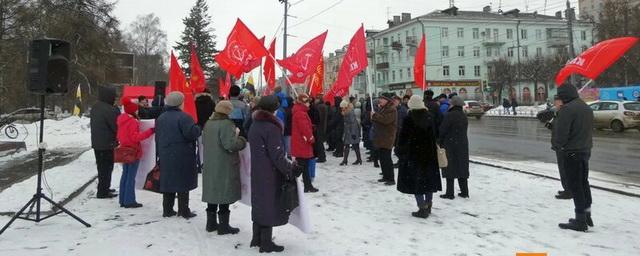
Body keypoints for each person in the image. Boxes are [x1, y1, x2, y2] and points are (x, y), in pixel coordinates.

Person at [248, 95, 302, 253]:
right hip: (269, 172)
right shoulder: (271, 127)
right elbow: (277, 155)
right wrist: (291, 169)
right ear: (274, 109)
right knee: (268, 204)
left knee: (259, 201)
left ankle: (256, 238)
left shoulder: (255, 123)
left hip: (258, 169)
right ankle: (265, 243)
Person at [202, 101, 247, 235]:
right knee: (223, 193)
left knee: (213, 192)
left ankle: (210, 223)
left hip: (211, 162)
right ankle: (223, 226)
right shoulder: (227, 124)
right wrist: (242, 141)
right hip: (224, 163)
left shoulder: (208, 123)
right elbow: (230, 145)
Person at [156, 91, 202, 219]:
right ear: (179, 103)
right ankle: (184, 210)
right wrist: (197, 128)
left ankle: (167, 209)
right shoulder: (184, 117)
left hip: (166, 153)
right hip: (182, 154)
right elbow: (191, 134)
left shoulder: (161, 117)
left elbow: (158, 137)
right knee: (183, 182)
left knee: (168, 181)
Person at [555, 84, 594, 232]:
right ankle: (587, 214)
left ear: (564, 96)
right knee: (584, 183)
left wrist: (559, 146)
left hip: (572, 152)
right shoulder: (586, 108)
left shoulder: (567, 110)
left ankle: (580, 220)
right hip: (585, 150)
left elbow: (561, 135)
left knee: (576, 186)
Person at [397, 95, 442, 218]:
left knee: (416, 182)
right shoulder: (429, 117)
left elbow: (403, 139)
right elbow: (435, 135)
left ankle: (421, 208)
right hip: (429, 156)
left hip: (414, 156)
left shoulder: (409, 119)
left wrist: (400, 151)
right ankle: (428, 204)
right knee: (428, 181)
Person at [116, 97, 154, 208]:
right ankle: (129, 201)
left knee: (125, 175)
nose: (138, 111)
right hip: (133, 151)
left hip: (124, 151)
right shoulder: (132, 122)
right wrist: (150, 131)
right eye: (136, 110)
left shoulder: (121, 120)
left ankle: (122, 199)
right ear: (133, 111)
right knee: (131, 177)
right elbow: (136, 137)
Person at [90, 86, 120, 199]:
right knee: (107, 168)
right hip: (107, 143)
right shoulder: (109, 109)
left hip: (98, 143)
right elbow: (116, 125)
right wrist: (116, 110)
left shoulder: (96, 107)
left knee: (102, 168)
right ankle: (103, 192)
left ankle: (104, 188)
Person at [438, 96, 469, 199]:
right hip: (462, 145)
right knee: (462, 167)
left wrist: (439, 141)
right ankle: (464, 192)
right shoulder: (463, 115)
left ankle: (449, 193)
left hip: (450, 144)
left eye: (450, 103)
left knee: (449, 168)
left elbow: (443, 130)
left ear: (453, 104)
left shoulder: (449, 115)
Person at [291, 93, 319, 193]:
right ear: (302, 102)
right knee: (301, 166)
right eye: (307, 102)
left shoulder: (300, 111)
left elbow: (305, 126)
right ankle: (291, 182)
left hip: (301, 142)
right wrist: (311, 137)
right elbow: (304, 128)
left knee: (304, 165)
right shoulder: (300, 113)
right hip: (302, 142)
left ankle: (307, 186)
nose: (309, 104)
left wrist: (311, 126)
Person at [547, 95, 572, 200]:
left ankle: (568, 191)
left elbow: (565, 130)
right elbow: (558, 128)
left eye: (556, 101)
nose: (554, 104)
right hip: (559, 146)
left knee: (565, 169)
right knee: (563, 169)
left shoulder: (564, 113)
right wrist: (551, 126)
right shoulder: (558, 113)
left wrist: (561, 144)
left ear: (561, 102)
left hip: (563, 147)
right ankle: (566, 189)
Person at [371, 93, 398, 185]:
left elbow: (386, 120)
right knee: (382, 158)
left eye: (382, 99)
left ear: (387, 100)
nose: (380, 100)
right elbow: (379, 119)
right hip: (382, 137)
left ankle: (391, 179)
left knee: (387, 159)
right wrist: (373, 116)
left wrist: (375, 116)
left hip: (387, 137)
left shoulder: (392, 109)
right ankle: (385, 176)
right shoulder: (383, 108)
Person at [340, 100, 362, 166]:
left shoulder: (350, 112)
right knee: (349, 145)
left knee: (354, 146)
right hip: (348, 131)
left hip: (352, 131)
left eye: (342, 107)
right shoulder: (347, 112)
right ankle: (346, 160)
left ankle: (356, 159)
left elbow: (353, 123)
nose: (341, 109)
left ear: (345, 107)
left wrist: (353, 133)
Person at [313, 96, 328, 163]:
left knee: (319, 143)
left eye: (317, 98)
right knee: (320, 142)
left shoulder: (319, 107)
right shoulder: (322, 106)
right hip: (322, 126)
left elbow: (319, 118)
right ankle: (322, 156)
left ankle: (322, 157)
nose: (315, 100)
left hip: (320, 127)